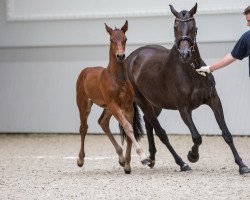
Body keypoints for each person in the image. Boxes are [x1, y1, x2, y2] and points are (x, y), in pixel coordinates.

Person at [196, 5, 250, 76]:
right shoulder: (247, 37)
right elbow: (232, 56)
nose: (248, 24)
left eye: (249, 21)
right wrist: (210, 68)